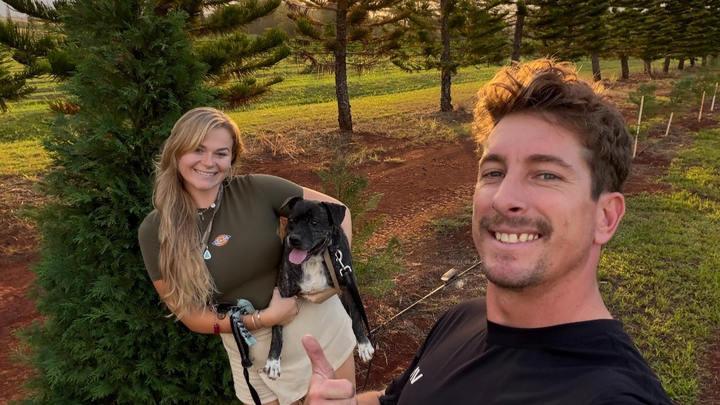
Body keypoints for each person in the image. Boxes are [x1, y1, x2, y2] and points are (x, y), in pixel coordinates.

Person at [300, 59, 674, 404]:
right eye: (494, 172)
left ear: (606, 217)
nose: (503, 198)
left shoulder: (611, 394)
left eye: (546, 174)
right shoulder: (461, 320)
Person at [138, 107, 358, 405]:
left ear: (232, 158)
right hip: (252, 354)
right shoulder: (156, 230)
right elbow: (189, 314)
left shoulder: (257, 190)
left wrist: (330, 278)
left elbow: (339, 213)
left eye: (221, 153)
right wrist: (262, 319)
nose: (208, 162)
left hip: (318, 332)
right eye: (198, 149)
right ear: (176, 151)